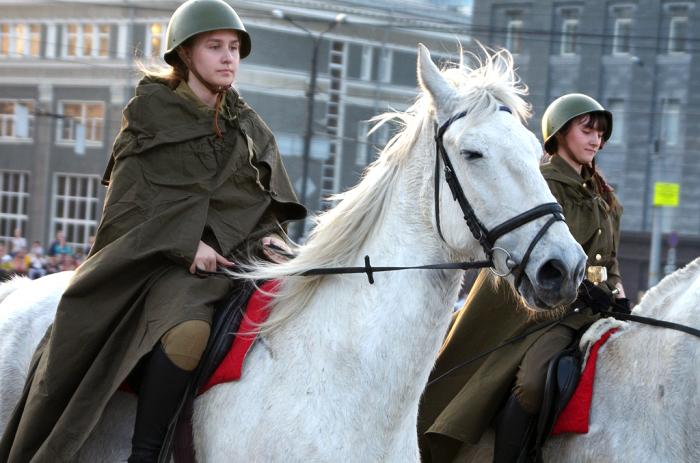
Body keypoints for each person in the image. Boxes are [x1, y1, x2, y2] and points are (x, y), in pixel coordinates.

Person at [0, 1, 306, 461]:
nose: (228, 58)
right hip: (156, 262)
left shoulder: (249, 126)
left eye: (234, 48)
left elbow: (260, 206)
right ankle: (145, 454)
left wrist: (272, 240)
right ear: (185, 54)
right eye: (215, 47)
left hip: (237, 262)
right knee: (186, 331)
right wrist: (188, 244)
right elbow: (128, 208)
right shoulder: (150, 115)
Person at [417, 94, 628, 463]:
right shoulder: (541, 185)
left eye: (601, 134)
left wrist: (618, 295)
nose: (596, 140)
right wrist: (582, 291)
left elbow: (609, 262)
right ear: (560, 134)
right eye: (587, 130)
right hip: (545, 312)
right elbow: (532, 255)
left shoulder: (604, 197)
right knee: (532, 385)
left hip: (595, 310)